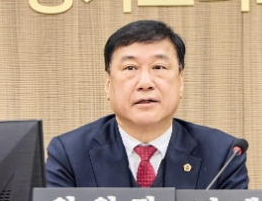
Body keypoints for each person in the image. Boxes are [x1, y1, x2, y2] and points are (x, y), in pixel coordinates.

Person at [46, 20, 249, 189]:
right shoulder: (70, 154)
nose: (145, 83)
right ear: (108, 85)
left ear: (180, 82)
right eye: (130, 68)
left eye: (158, 67)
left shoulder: (223, 155)